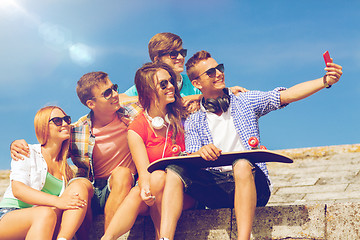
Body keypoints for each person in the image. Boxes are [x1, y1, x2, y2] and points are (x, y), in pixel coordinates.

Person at [158, 50, 343, 240]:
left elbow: (286, 95)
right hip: (217, 187)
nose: (219, 74)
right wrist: (200, 152)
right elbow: (191, 156)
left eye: (219, 68)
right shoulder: (194, 119)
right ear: (196, 83)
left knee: (241, 163)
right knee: (174, 169)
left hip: (253, 184)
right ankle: (165, 238)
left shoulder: (245, 101)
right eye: (211, 72)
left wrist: (325, 81)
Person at [10, 72, 143, 238]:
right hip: (91, 191)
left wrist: (186, 99)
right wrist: (15, 144)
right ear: (91, 103)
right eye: (107, 93)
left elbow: (167, 103)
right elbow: (50, 146)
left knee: (122, 173)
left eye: (114, 88)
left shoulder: (135, 113)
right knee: (78, 184)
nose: (115, 94)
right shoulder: (77, 130)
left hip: (120, 186)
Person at [101, 62, 195, 240]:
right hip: (152, 190)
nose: (171, 87)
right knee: (149, 183)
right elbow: (144, 172)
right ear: (148, 91)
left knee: (160, 178)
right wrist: (144, 189)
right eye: (163, 84)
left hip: (185, 191)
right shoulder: (137, 127)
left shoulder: (185, 117)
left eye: (171, 81)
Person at [0, 106, 90, 240]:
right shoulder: (27, 151)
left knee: (77, 188)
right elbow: (18, 190)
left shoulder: (67, 171)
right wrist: (59, 201)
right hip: (11, 215)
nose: (65, 124)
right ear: (43, 127)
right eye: (57, 121)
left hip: (46, 220)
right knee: (45, 213)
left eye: (67, 119)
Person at [122, 32, 248, 112]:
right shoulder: (147, 84)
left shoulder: (194, 82)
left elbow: (216, 96)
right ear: (157, 59)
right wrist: (153, 98)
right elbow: (120, 100)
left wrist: (199, 98)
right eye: (173, 54)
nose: (181, 57)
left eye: (182, 53)